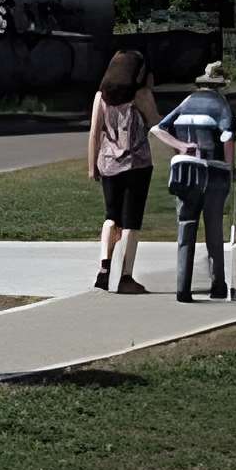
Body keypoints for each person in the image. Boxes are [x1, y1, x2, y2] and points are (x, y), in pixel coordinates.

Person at [159, 59, 236, 303]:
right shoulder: (221, 105)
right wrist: (230, 168)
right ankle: (218, 284)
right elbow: (227, 137)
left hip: (185, 173)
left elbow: (159, 129)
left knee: (186, 228)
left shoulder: (186, 103)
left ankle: (183, 288)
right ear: (221, 85)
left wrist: (181, 147)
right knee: (213, 229)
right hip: (213, 172)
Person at [88, 48, 159, 294]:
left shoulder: (101, 97)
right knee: (131, 221)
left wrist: (91, 166)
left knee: (111, 216)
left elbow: (94, 133)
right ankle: (126, 277)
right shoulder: (141, 95)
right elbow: (156, 124)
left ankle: (103, 269)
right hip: (137, 165)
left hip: (107, 163)